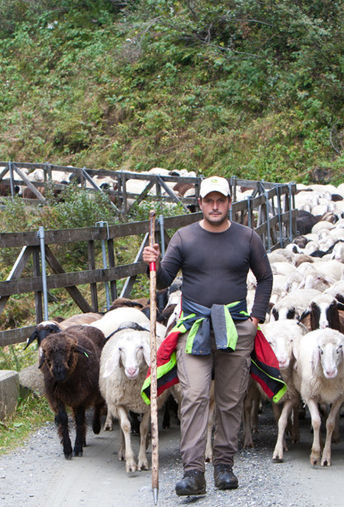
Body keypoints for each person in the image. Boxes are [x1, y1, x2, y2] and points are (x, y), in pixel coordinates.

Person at [142, 175, 273, 496]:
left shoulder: (247, 238)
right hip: (195, 326)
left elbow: (265, 278)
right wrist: (152, 263)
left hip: (235, 326)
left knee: (230, 399)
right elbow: (164, 280)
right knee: (195, 396)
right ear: (200, 203)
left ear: (229, 202)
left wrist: (255, 318)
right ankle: (193, 472)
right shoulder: (184, 237)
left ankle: (224, 466)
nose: (215, 206)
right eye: (209, 200)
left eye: (221, 200)